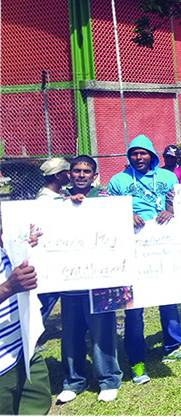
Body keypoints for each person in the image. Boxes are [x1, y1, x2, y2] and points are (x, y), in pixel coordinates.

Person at [107, 135, 181, 383]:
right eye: (133, 153)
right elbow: (107, 213)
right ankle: (137, 361)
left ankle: (173, 346)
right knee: (134, 309)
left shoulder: (168, 177)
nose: (138, 158)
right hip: (134, 252)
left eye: (143, 153)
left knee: (169, 299)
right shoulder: (118, 181)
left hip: (164, 248)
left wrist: (171, 211)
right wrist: (124, 215)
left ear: (152, 155)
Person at [56, 155, 122, 404]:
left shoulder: (105, 201)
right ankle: (73, 381)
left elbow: (117, 229)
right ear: (69, 174)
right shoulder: (57, 203)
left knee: (103, 332)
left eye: (86, 171)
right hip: (70, 281)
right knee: (71, 334)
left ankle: (108, 380)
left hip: (100, 281)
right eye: (76, 171)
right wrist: (68, 205)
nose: (81, 175)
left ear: (95, 176)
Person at [0, 227, 51, 415]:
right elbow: (10, 285)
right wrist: (7, 288)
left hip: (25, 352)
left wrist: (26, 248)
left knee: (38, 407)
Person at [34, 157, 70, 321]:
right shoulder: (45, 201)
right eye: (66, 172)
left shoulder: (57, 196)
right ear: (58, 176)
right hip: (49, 258)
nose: (69, 175)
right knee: (46, 299)